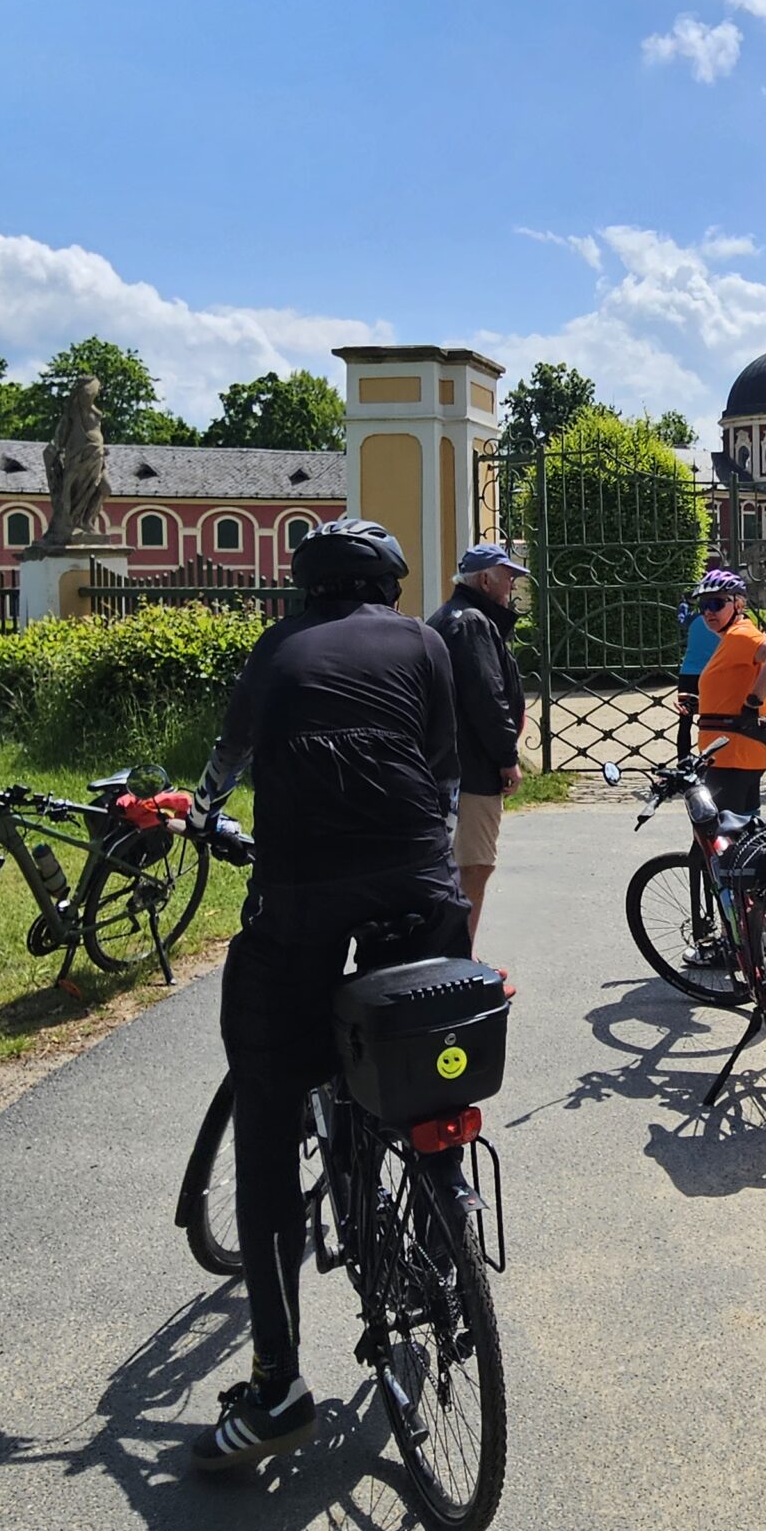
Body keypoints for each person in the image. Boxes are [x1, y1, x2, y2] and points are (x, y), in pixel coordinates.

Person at [185, 518, 475, 1473]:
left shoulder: (277, 647)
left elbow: (227, 759)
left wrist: (203, 812)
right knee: (426, 1069)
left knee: (268, 1109)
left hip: (301, 894)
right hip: (418, 882)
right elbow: (442, 769)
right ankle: (442, 1227)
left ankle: (276, 1386)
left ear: (306, 585)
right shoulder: (425, 643)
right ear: (387, 584)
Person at [428, 542, 529, 946]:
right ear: (486, 580)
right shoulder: (471, 622)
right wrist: (507, 758)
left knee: (457, 864)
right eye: (508, 577)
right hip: (472, 768)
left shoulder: (450, 616)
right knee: (474, 865)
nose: (512, 585)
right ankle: (459, 957)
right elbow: (487, 697)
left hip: (452, 765)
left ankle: (450, 952)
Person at [691, 568, 766, 815]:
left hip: (731, 755)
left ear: (739, 604)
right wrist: (702, 704)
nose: (708, 612)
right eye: (703, 606)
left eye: (716, 603)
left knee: (719, 832)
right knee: (744, 828)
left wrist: (752, 703)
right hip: (735, 753)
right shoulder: (733, 637)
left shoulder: (740, 634)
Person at [673, 564, 727, 763]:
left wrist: (683, 604)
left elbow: (681, 620)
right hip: (712, 674)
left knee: (685, 721)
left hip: (688, 673)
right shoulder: (721, 624)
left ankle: (683, 761)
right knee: (713, 720)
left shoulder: (694, 620)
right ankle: (713, 760)